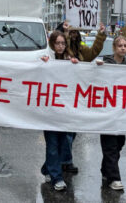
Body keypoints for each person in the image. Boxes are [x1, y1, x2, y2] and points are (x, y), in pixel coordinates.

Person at [62, 23, 107, 173]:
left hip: (77, 94)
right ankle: (65, 161)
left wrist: (100, 35)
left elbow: (93, 52)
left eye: (76, 32)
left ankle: (63, 159)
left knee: (72, 131)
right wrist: (66, 33)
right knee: (67, 132)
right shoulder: (62, 47)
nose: (74, 34)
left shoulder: (80, 47)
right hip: (64, 94)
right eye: (71, 32)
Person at [40, 30, 79, 191]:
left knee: (65, 143)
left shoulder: (70, 60)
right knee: (53, 144)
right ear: (53, 44)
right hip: (50, 111)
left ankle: (46, 168)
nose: (61, 46)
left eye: (63, 43)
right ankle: (56, 178)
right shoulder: (45, 59)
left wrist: (77, 66)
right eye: (58, 43)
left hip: (65, 111)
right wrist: (43, 64)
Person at [94, 36, 126, 191]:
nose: (123, 48)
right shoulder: (105, 62)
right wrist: (98, 69)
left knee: (119, 143)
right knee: (110, 144)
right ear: (115, 48)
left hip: (122, 113)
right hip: (107, 112)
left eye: (125, 46)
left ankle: (106, 169)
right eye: (120, 46)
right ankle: (114, 178)